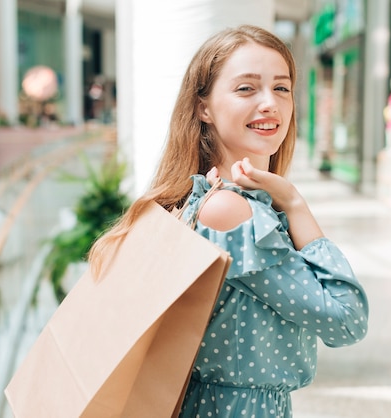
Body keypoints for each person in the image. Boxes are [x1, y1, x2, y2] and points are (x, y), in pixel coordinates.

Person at [89, 24, 369, 417]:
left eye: (281, 88)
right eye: (246, 88)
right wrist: (296, 205)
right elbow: (346, 321)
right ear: (203, 107)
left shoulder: (212, 198)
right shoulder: (230, 212)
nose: (269, 103)